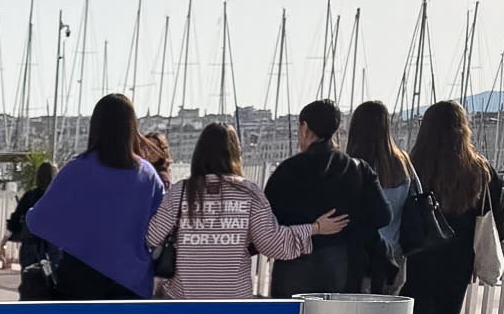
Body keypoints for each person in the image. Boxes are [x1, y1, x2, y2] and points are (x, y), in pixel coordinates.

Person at [402, 100, 504, 314]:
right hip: (458, 261)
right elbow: (497, 220)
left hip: (417, 258)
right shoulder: (480, 170)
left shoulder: (413, 165)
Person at [145, 123, 347, 299]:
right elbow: (272, 243)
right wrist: (315, 228)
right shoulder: (248, 192)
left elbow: (152, 237)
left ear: (199, 153)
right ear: (235, 153)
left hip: (184, 298)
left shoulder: (181, 191)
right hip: (234, 301)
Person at [26, 94, 165, 300]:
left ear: (96, 126)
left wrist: (72, 238)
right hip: (133, 280)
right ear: (131, 127)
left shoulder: (75, 169)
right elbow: (160, 228)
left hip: (79, 277)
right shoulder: (148, 174)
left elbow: (36, 221)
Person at [263, 98, 392, 296]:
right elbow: (383, 216)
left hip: (292, 270)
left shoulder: (286, 172)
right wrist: (349, 227)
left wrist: (309, 228)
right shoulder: (357, 169)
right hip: (343, 268)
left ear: (305, 128)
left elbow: (266, 223)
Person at [345, 100, 415, 292]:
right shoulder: (403, 162)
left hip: (359, 259)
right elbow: (415, 198)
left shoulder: (352, 166)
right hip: (395, 258)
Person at [5, 161, 57, 299]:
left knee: (29, 281)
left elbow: (15, 220)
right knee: (52, 282)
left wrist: (5, 240)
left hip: (30, 246)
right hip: (53, 247)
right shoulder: (59, 197)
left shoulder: (30, 196)